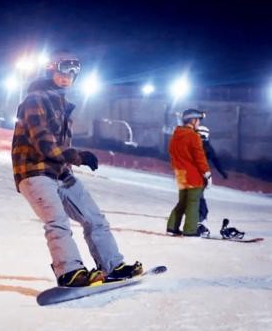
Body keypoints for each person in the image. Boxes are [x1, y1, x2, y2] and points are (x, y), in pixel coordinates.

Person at [11, 50, 142, 287]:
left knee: (94, 218)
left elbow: (59, 147)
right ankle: (70, 272)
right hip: (34, 171)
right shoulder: (35, 99)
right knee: (57, 222)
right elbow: (44, 142)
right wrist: (77, 156)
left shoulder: (63, 104)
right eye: (63, 70)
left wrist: (71, 158)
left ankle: (112, 265)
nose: (67, 76)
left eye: (73, 72)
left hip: (60, 173)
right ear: (51, 70)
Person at [167, 109, 211, 236]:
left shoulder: (176, 135)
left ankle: (172, 227)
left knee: (182, 202)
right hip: (193, 175)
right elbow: (199, 157)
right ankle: (190, 230)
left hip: (180, 173)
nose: (199, 124)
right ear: (193, 120)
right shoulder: (193, 136)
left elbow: (171, 152)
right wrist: (207, 173)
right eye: (198, 121)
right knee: (193, 202)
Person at [194, 125, 228, 236]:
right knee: (197, 199)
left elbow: (215, 160)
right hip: (198, 176)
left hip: (198, 176)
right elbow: (215, 160)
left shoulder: (203, 146)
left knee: (197, 199)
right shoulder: (204, 146)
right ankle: (200, 222)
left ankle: (200, 223)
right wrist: (222, 172)